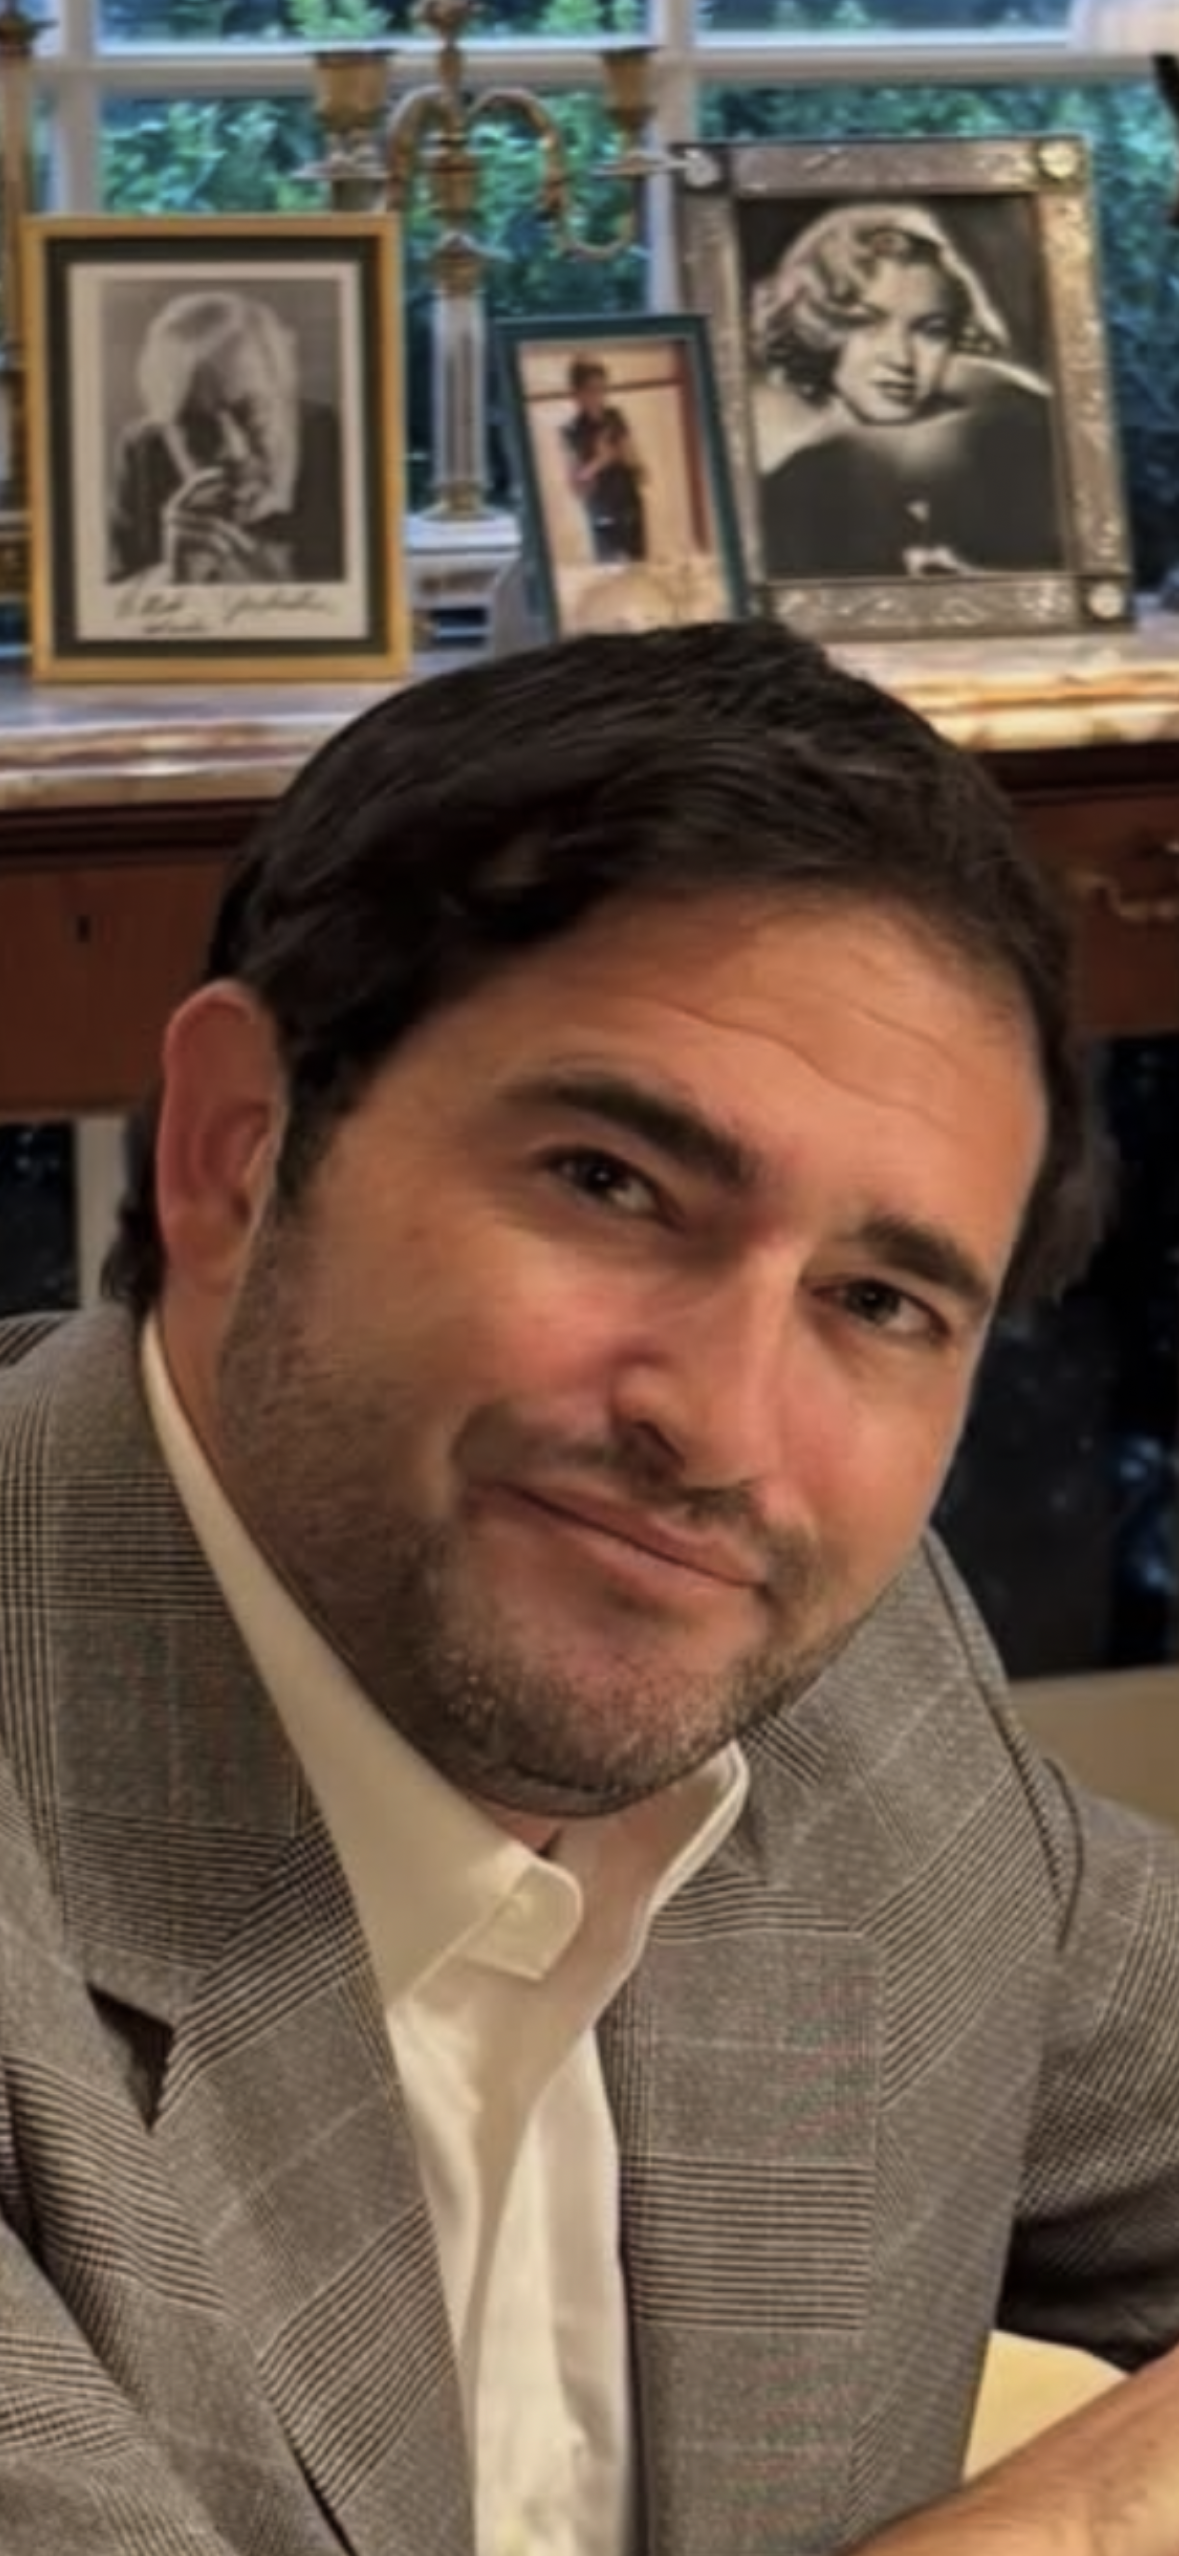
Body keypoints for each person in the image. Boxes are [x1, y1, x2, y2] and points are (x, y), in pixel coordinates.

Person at [4, 619, 1179, 2556]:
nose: (720, 1431)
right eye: (607, 1183)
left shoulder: (847, 1690)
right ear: (232, 1152)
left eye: (875, 1301)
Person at [750, 205, 1065, 581]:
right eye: (867, 324)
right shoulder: (792, 483)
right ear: (819, 327)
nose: (901, 359)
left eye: (931, 330)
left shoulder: (1022, 434)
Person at [109, 287, 345, 586]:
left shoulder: (343, 445)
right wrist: (173, 578)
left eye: (251, 413)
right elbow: (109, 596)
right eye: (198, 429)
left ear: (285, 390)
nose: (234, 452)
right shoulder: (144, 451)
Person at [560, 356, 648, 563]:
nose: (598, 396)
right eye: (592, 390)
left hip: (630, 505)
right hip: (602, 512)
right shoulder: (571, 431)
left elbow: (638, 467)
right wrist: (600, 461)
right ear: (577, 394)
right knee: (611, 571)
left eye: (602, 389)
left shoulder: (615, 417)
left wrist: (633, 461)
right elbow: (576, 485)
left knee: (639, 568)